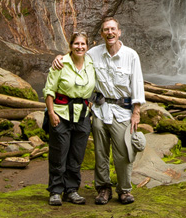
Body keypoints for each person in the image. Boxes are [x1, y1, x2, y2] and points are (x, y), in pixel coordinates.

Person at [52, 16, 145, 206]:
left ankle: (124, 189)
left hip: (122, 111)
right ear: (102, 33)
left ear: (119, 32)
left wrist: (137, 112)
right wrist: (60, 57)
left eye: (113, 29)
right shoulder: (94, 53)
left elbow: (137, 83)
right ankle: (103, 188)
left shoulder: (131, 55)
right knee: (101, 153)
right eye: (106, 30)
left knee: (124, 153)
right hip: (101, 110)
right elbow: (75, 53)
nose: (109, 33)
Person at [44, 31, 96, 207]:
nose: (80, 47)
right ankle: (56, 191)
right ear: (70, 46)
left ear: (87, 47)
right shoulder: (61, 64)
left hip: (82, 115)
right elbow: (49, 90)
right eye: (76, 44)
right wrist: (51, 113)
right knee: (59, 153)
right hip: (61, 114)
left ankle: (72, 190)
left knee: (77, 155)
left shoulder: (92, 63)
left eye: (83, 44)